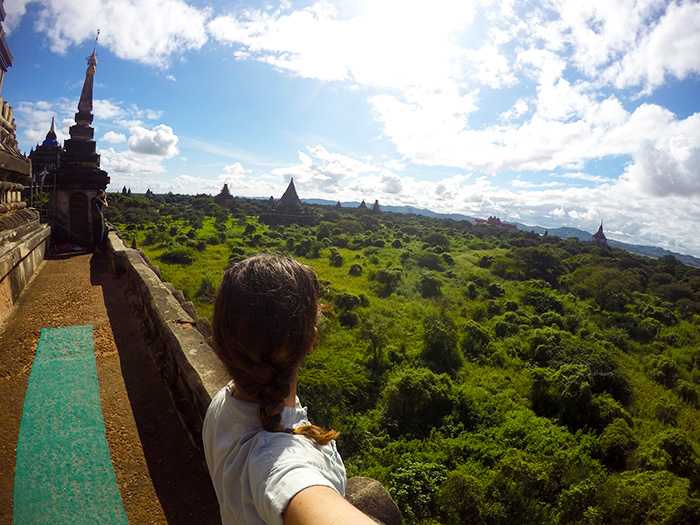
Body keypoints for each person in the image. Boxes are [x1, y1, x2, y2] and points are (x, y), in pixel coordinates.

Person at [203, 253, 378, 525]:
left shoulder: (221, 405)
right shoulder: (279, 463)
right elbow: (292, 479)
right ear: (312, 339)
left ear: (223, 340)